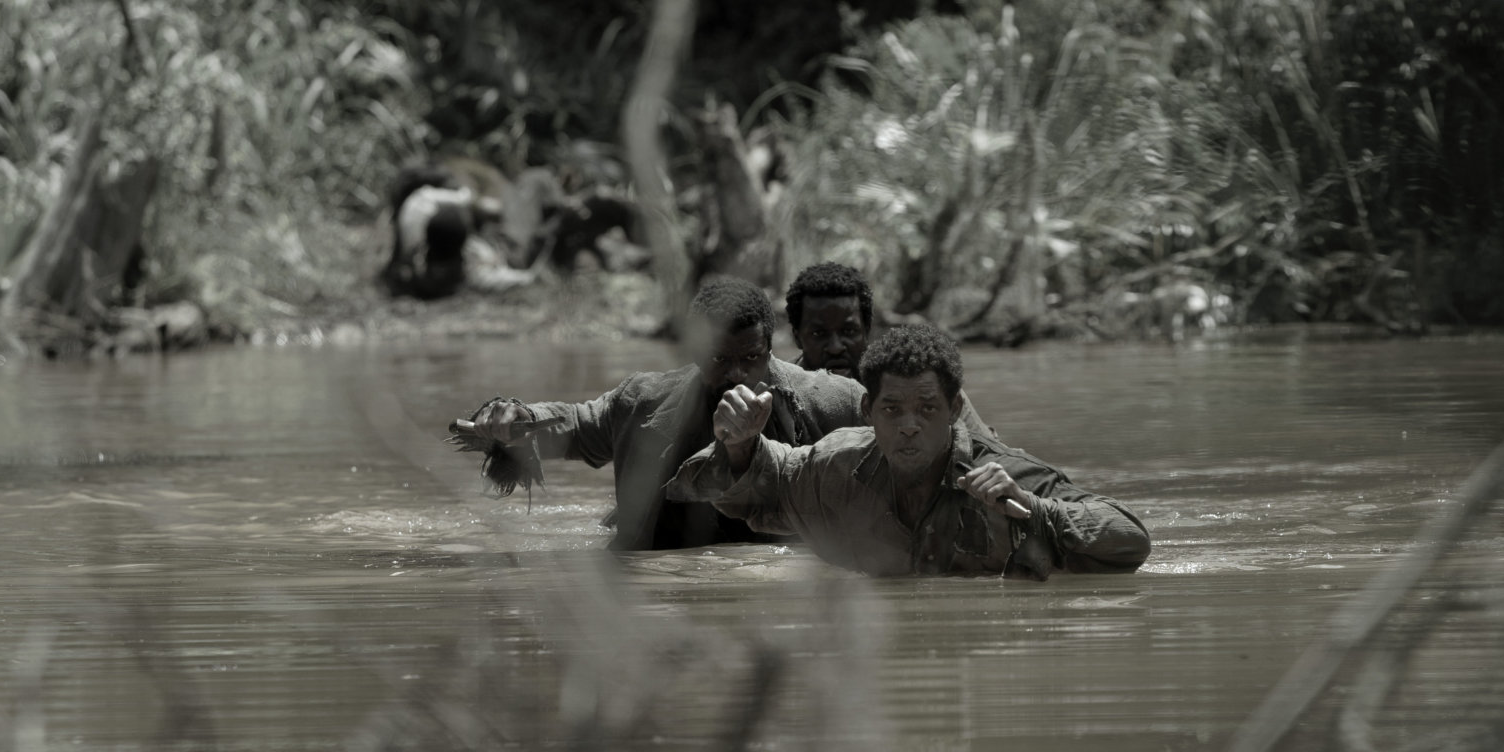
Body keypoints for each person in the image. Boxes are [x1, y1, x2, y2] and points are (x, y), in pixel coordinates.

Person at [666, 323, 1148, 578]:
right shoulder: (836, 467)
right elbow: (759, 486)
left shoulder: (1002, 474)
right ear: (868, 408)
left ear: (955, 409)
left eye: (927, 409)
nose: (910, 427)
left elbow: (1131, 537)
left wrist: (1039, 513)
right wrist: (738, 443)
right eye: (892, 409)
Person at [452, 278, 863, 552]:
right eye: (718, 359)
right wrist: (515, 417)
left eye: (751, 359)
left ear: (770, 349)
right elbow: (573, 422)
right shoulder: (643, 401)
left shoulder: (833, 402)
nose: (736, 374)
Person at [784, 259, 994, 437]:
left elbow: (991, 453)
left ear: (866, 331)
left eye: (848, 332)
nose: (836, 347)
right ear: (797, 338)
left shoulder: (922, 380)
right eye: (819, 334)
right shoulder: (780, 395)